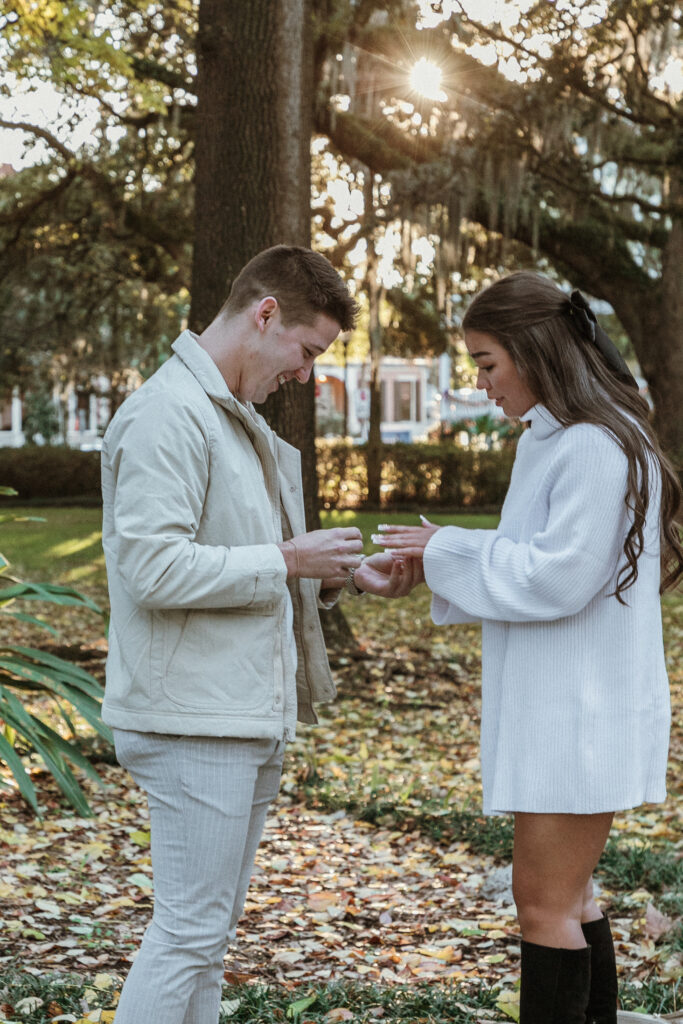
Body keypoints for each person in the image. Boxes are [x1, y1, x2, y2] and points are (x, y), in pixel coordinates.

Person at [355, 271, 683, 1024]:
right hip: (562, 709)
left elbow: (558, 579)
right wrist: (428, 565)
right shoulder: (555, 441)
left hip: (580, 713)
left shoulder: (595, 447)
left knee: (541, 906)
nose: (480, 383)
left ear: (534, 352)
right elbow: (529, 564)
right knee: (568, 898)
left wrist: (445, 549)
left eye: (485, 362)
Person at [101, 245, 362, 1024]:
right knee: (186, 935)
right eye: (307, 351)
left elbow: (237, 558)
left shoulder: (227, 417)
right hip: (191, 721)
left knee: (206, 940)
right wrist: (287, 559)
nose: (307, 374)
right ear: (266, 314)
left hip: (234, 715)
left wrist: (324, 574)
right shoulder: (166, 414)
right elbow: (152, 569)